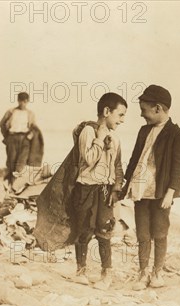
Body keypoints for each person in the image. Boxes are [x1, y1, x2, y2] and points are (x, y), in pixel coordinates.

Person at [121, 85, 180, 290]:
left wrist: (171, 192)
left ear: (158, 108)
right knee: (143, 233)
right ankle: (143, 273)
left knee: (159, 232)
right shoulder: (144, 131)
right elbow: (135, 160)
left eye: (144, 110)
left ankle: (157, 272)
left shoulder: (177, 135)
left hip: (161, 193)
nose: (142, 115)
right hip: (141, 190)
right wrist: (125, 185)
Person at [70, 92, 127, 290]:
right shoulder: (88, 131)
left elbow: (118, 167)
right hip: (86, 188)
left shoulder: (116, 139)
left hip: (105, 191)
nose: (122, 120)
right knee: (84, 230)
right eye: (119, 115)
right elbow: (88, 159)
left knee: (105, 231)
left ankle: (106, 273)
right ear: (106, 111)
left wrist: (116, 190)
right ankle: (81, 271)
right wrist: (100, 139)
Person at [0, 92, 41, 190]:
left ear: (27, 102)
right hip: (12, 138)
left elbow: (33, 128)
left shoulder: (30, 114)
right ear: (18, 101)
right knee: (11, 163)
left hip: (25, 140)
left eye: (25, 101)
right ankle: (8, 185)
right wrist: (7, 137)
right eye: (22, 101)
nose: (23, 103)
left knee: (21, 164)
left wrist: (30, 136)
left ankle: (15, 187)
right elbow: (2, 124)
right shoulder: (11, 112)